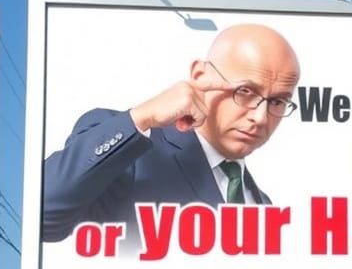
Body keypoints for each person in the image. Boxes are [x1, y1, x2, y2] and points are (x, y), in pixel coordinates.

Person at [42, 23, 301, 243]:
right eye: (245, 92)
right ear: (201, 75)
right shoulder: (130, 150)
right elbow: (41, 212)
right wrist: (141, 117)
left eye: (277, 102)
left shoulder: (261, 203)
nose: (260, 117)